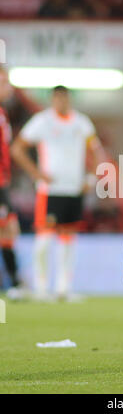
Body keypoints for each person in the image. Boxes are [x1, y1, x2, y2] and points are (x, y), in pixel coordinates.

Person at [11, 86, 105, 301]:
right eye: (57, 98)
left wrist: (91, 177)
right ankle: (42, 288)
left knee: (68, 240)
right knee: (44, 240)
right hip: (50, 190)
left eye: (64, 98)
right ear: (52, 100)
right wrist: (36, 174)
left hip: (73, 188)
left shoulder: (81, 122)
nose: (61, 102)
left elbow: (96, 151)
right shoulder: (42, 121)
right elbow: (17, 148)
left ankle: (64, 288)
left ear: (69, 99)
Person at [0, 67, 22, 298]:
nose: (8, 88)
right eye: (4, 83)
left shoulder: (3, 113)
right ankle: (15, 283)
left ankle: (15, 283)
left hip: (3, 182)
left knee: (8, 229)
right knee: (8, 229)